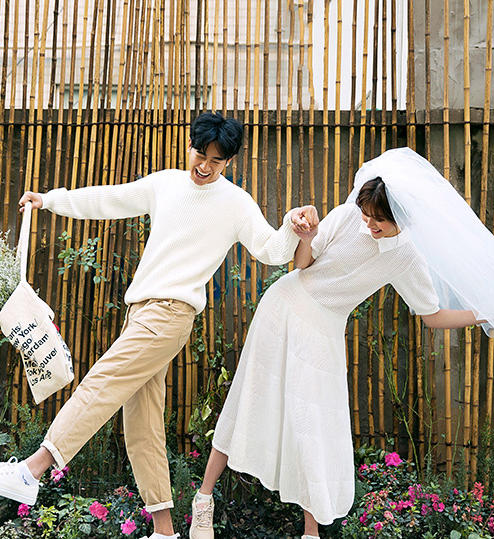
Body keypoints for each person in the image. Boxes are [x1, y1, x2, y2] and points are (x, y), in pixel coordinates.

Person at [188, 147, 494, 539]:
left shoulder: (407, 258)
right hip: (284, 308)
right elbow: (302, 265)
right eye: (367, 214)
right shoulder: (348, 216)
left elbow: (433, 316)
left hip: (324, 332)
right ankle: (204, 499)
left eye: (379, 220)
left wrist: (487, 312)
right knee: (248, 396)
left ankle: (310, 532)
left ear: (402, 218)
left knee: (313, 425)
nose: (369, 223)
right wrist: (308, 238)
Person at [0, 112, 318, 539]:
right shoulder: (165, 184)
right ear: (191, 146)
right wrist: (50, 200)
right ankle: (165, 531)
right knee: (143, 426)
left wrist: (294, 225)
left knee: (103, 380)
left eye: (216, 161)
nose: (205, 166)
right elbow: (109, 199)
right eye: (200, 154)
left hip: (169, 315)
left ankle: (32, 471)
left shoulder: (236, 203)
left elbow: (271, 250)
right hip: (141, 313)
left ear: (229, 162)